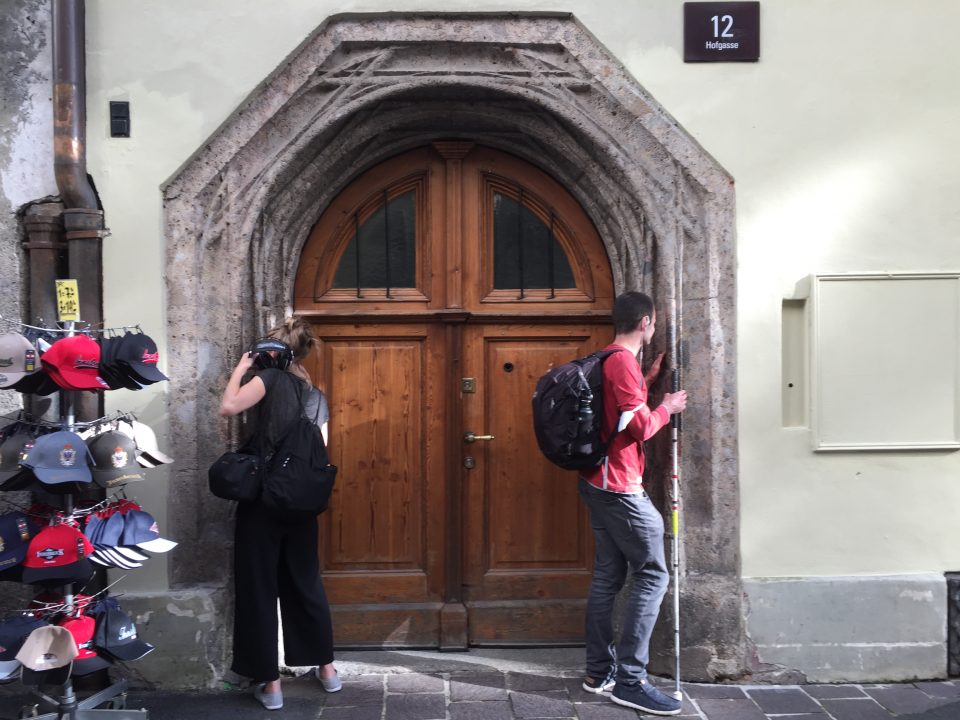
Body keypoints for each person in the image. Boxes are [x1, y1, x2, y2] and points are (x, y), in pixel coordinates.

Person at [219, 317, 340, 710]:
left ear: (272, 352)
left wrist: (240, 368)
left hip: (264, 501)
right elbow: (320, 450)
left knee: (258, 587)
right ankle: (326, 669)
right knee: (304, 581)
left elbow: (228, 407)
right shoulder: (316, 394)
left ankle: (270, 685)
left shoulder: (269, 381)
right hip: (301, 502)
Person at [578, 291, 688, 716]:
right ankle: (630, 680)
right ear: (646, 323)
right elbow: (639, 426)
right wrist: (666, 406)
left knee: (608, 576)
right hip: (620, 487)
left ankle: (597, 672)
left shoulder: (609, 358)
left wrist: (647, 377)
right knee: (653, 574)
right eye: (654, 323)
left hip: (595, 481)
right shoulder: (622, 364)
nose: (654, 329)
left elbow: (617, 412)